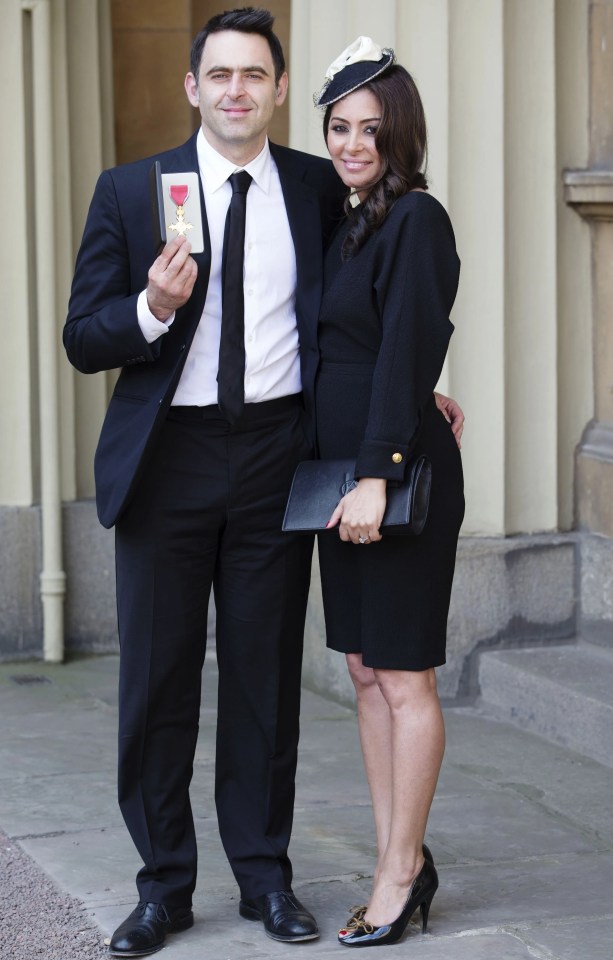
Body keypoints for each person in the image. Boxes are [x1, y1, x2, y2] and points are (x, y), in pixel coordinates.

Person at [64, 9, 464, 954]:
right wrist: (151, 308)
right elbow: (84, 336)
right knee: (156, 685)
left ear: (280, 91)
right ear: (193, 89)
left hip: (282, 464)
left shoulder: (324, 184)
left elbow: (378, 303)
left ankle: (263, 878)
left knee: (262, 682)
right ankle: (163, 885)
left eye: (256, 74)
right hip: (169, 462)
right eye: (220, 75)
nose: (238, 90)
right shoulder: (130, 192)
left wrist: (419, 394)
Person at [312, 38, 465, 947]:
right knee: (364, 671)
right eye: (338, 127)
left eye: (370, 128)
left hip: (388, 484)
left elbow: (409, 343)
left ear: (398, 133)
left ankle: (400, 873)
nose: (352, 143)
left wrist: (376, 470)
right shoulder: (351, 221)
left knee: (403, 675)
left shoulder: (415, 218)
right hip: (345, 484)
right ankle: (394, 851)